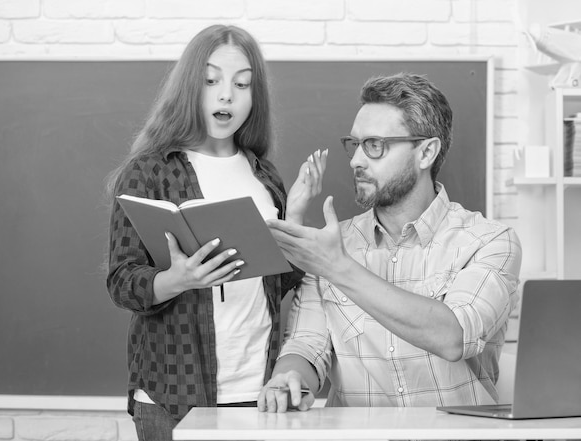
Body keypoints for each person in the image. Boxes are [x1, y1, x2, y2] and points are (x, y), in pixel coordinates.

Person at [105, 24, 327, 440]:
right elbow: (120, 282)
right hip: (172, 397)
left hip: (258, 392)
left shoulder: (263, 176)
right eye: (211, 81)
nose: (227, 94)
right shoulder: (149, 171)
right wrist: (176, 280)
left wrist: (294, 214)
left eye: (242, 84)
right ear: (191, 87)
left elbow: (275, 285)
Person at [258, 72, 522, 413]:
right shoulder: (333, 245)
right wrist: (287, 378)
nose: (355, 160)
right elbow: (306, 346)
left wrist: (339, 269)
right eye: (354, 144)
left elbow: (454, 337)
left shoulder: (489, 241)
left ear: (426, 152)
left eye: (374, 145)